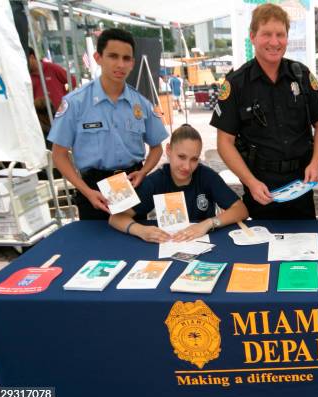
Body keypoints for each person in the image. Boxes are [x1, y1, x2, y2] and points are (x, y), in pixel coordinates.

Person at [210, 3, 318, 220]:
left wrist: (315, 162)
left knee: (307, 249)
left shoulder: (301, 75)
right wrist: (250, 182)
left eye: (280, 35)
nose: (274, 42)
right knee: (260, 251)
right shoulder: (236, 84)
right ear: (252, 36)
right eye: (267, 34)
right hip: (260, 191)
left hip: (300, 186)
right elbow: (224, 143)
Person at [48, 28, 168, 220]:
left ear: (132, 63)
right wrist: (86, 191)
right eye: (113, 56)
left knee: (136, 245)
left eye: (126, 58)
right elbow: (59, 155)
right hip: (93, 190)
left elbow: (157, 147)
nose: (120, 64)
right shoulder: (75, 103)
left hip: (132, 185)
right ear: (98, 57)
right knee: (96, 247)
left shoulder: (142, 104)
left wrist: (143, 172)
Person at [109, 124, 249, 243]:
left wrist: (208, 224)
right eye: (181, 157)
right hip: (169, 243)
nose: (187, 167)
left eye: (194, 159)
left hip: (204, 244)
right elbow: (116, 218)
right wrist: (141, 230)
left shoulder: (206, 176)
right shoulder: (155, 181)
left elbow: (241, 210)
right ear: (169, 150)